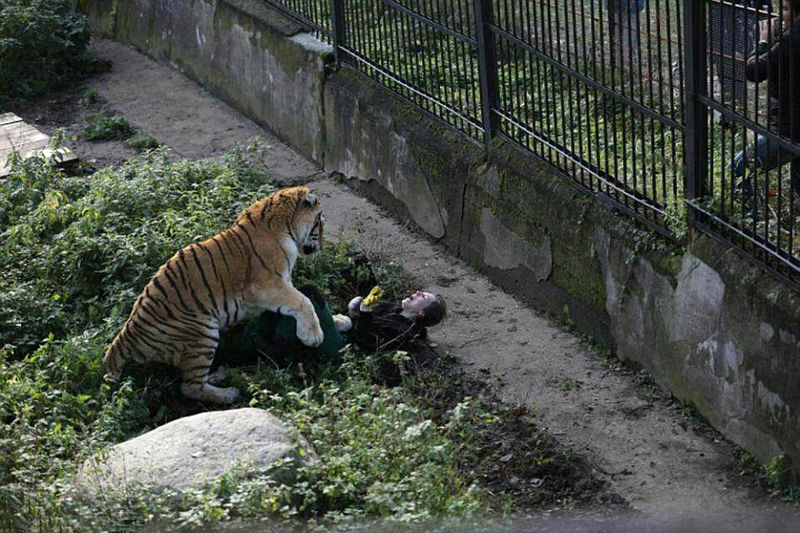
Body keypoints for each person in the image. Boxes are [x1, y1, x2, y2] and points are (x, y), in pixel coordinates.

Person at [214, 285, 447, 365]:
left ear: (420, 313)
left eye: (422, 297)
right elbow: (356, 315)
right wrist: (357, 307)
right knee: (289, 315)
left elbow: (370, 342)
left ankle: (260, 346)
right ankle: (244, 345)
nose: (415, 294)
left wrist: (363, 315)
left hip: (344, 348)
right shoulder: (391, 306)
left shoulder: (404, 331)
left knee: (309, 295)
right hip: (340, 330)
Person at [733, 0, 800, 198]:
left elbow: (754, 72)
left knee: (738, 167)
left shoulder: (791, 42)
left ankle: (746, 223)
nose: (780, 15)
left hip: (788, 131)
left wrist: (763, 42)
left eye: (786, 9)